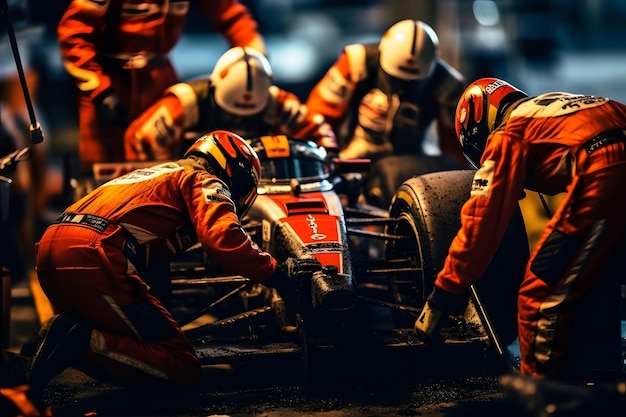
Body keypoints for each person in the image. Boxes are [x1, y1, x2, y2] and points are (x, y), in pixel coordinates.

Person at [27, 130, 321, 401]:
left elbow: (147, 251)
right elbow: (223, 238)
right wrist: (276, 273)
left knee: (134, 340)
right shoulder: (205, 178)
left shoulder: (156, 174)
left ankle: (46, 349)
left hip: (54, 250)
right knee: (182, 366)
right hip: (95, 256)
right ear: (233, 170)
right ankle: (81, 342)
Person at [413, 77, 626, 382]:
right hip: (610, 158)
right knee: (597, 273)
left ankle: (541, 398)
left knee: (540, 297)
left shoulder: (509, 133)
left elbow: (482, 223)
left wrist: (444, 293)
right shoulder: (561, 105)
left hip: (607, 171)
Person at [57, 0, 267, 180]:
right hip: (109, 82)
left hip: (159, 80)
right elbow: (73, 35)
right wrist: (99, 90)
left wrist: (257, 63)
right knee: (100, 179)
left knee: (165, 174)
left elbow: (229, 14)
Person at [305, 19, 469, 207]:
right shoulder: (355, 62)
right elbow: (318, 117)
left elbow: (457, 145)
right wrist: (321, 158)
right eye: (394, 78)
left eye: (411, 82)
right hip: (355, 154)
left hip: (410, 160)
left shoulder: (448, 85)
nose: (401, 86)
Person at [124, 46, 338, 162]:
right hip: (191, 192)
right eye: (232, 114)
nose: (239, 119)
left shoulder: (279, 103)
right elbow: (143, 140)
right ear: (214, 87)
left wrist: (330, 161)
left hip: (267, 188)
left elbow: (318, 132)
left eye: (247, 115)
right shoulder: (185, 102)